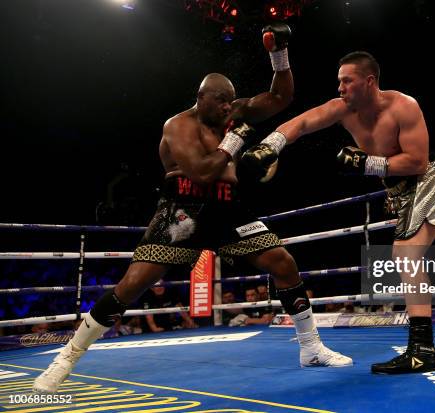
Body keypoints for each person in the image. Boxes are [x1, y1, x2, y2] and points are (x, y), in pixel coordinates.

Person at [33, 24, 351, 394]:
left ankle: (311, 349)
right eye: (221, 103)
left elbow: (282, 96)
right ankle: (66, 359)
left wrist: (278, 53)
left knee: (283, 262)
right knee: (132, 286)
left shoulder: (233, 112)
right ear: (203, 98)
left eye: (231, 104)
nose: (228, 109)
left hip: (229, 210)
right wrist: (237, 139)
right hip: (183, 210)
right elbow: (201, 172)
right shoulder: (179, 127)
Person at [242, 51, 435, 374]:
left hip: (427, 179)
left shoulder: (404, 107)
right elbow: (302, 122)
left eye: (347, 81)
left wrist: (364, 163)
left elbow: (417, 161)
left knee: (406, 252)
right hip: (400, 192)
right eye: (339, 81)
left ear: (369, 82)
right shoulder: (343, 109)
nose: (340, 88)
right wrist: (270, 145)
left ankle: (422, 349)